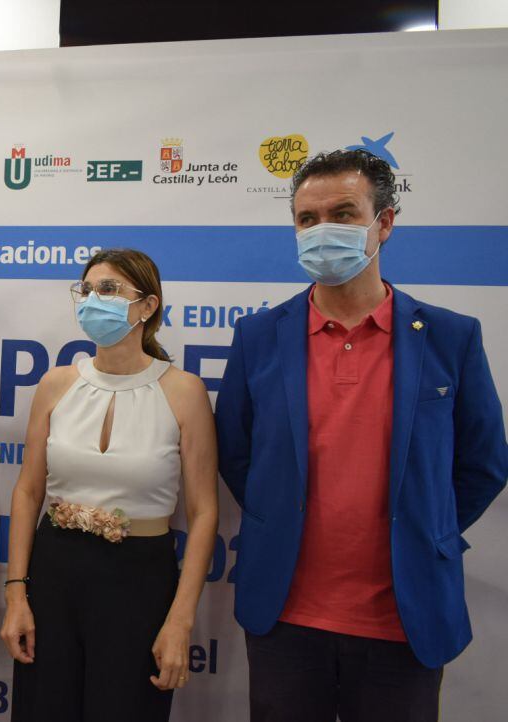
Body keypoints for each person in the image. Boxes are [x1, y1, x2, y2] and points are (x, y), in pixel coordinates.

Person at [215, 149, 508, 722]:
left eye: (344, 213)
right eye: (306, 219)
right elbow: (236, 452)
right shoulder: (258, 337)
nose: (322, 229)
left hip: (404, 618)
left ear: (386, 222)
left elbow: (484, 463)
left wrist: (424, 527)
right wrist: (285, 516)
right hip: (285, 618)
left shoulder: (451, 337)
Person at [0, 248, 219, 722]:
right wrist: (16, 595)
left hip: (139, 581)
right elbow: (27, 492)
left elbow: (203, 514)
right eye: (88, 289)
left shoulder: (184, 391)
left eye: (109, 289)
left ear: (148, 306)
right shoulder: (56, 383)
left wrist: (180, 622)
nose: (93, 299)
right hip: (54, 573)